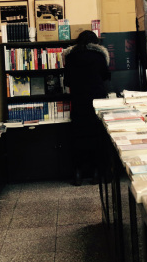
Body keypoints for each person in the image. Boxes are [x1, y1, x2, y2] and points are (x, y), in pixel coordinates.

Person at [63, 30, 110, 186]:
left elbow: (67, 81)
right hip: (97, 101)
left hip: (79, 101)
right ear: (95, 42)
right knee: (97, 136)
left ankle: (77, 174)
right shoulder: (99, 56)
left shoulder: (70, 57)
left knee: (78, 137)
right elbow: (106, 76)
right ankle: (96, 173)